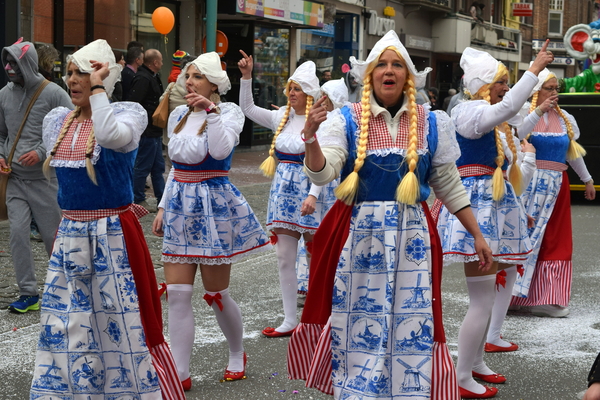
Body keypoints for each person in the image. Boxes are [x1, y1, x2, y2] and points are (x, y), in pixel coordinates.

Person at [287, 30, 493, 400]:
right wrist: (311, 137)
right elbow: (323, 172)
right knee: (356, 315)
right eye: (381, 64)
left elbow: (448, 185)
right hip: (359, 236)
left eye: (397, 64)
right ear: (369, 77)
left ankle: (407, 391)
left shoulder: (432, 122)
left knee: (411, 320)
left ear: (408, 77)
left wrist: (477, 234)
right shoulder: (347, 120)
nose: (389, 70)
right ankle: (357, 389)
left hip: (411, 238)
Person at [30, 38, 184, 399]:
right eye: (70, 72)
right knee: (68, 320)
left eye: (83, 72)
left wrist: (99, 90)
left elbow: (111, 136)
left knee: (120, 320)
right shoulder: (59, 121)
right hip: (71, 233)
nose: (73, 79)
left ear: (103, 77)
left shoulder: (126, 115)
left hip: (111, 234)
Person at [436, 43, 554, 398]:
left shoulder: (490, 114)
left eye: (507, 81)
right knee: (481, 299)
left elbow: (516, 124)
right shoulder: (468, 111)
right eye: (501, 81)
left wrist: (518, 210)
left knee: (490, 290)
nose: (506, 86)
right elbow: (509, 108)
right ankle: (461, 374)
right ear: (483, 84)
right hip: (476, 209)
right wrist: (533, 71)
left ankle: (475, 361)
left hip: (496, 205)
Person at [152, 52, 272, 390]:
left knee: (217, 293)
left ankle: (237, 352)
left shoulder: (229, 112)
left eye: (197, 76)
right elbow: (174, 165)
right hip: (179, 205)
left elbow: (219, 152)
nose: (189, 81)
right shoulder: (178, 113)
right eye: (188, 76)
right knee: (176, 293)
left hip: (213, 205)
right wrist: (162, 206)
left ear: (214, 83)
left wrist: (211, 111)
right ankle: (180, 372)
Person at [238, 52, 335, 338]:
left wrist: (314, 195)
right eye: (290, 88)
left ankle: (321, 316)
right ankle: (291, 318)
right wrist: (246, 77)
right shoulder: (281, 116)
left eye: (297, 89)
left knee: (317, 255)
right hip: (283, 194)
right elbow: (248, 108)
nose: (291, 93)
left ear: (309, 94)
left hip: (311, 191)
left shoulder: (324, 121)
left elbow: (325, 160)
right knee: (284, 257)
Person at [510, 67, 596, 317]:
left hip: (557, 185)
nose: (554, 93)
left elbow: (573, 153)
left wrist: (587, 179)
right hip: (529, 183)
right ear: (535, 91)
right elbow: (518, 136)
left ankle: (547, 297)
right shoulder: (524, 114)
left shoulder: (566, 118)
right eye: (549, 88)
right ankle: (513, 296)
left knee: (555, 241)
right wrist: (538, 112)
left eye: (556, 88)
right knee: (523, 238)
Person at [0, 38, 72, 314]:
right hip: (15, 180)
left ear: (27, 63)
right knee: (18, 234)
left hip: (45, 180)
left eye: (14, 62)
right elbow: (1, 134)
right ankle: (28, 293)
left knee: (54, 238)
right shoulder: (3, 95)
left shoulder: (53, 93)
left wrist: (41, 152)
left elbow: (68, 127)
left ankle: (65, 289)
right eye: (7, 61)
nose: (9, 67)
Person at [129, 49, 165, 212]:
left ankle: (162, 199)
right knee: (143, 166)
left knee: (158, 167)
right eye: (161, 61)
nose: (162, 63)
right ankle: (138, 199)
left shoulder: (152, 77)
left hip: (154, 131)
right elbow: (134, 103)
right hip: (147, 131)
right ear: (155, 62)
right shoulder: (144, 78)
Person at [160, 52, 195, 171]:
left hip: (171, 135)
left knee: (171, 167)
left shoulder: (171, 87)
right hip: (190, 137)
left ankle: (171, 188)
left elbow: (161, 101)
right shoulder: (198, 91)